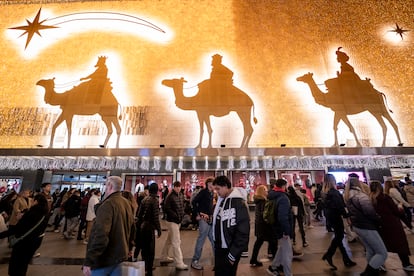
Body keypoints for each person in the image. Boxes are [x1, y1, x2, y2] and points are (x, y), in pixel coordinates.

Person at [82, 176, 135, 276]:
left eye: (106, 185)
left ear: (110, 186)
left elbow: (101, 234)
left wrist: (89, 260)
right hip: (120, 256)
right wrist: (129, 247)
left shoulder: (108, 204)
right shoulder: (127, 203)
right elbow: (132, 228)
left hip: (105, 259)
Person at [344, 176, 387, 276]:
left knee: (370, 250)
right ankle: (369, 271)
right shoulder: (361, 196)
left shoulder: (347, 196)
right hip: (366, 226)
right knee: (382, 253)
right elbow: (369, 212)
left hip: (357, 226)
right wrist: (378, 219)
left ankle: (372, 270)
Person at [369, 181, 414, 272]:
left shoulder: (370, 199)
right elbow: (396, 211)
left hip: (380, 225)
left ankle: (379, 264)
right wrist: (401, 209)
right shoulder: (385, 197)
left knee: (382, 247)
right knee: (400, 244)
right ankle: (406, 264)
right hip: (393, 224)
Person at [0, 193, 49, 276]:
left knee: (16, 266)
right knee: (24, 264)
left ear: (36, 201)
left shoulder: (32, 213)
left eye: (33, 200)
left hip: (23, 243)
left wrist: (1, 235)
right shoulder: (45, 213)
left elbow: (18, 229)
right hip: (35, 242)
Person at [212, 175, 249, 276]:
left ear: (225, 186)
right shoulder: (222, 200)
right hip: (221, 247)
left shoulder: (238, 203)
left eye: (218, 189)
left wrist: (233, 254)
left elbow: (243, 230)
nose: (217, 192)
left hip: (230, 249)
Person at [321, 174, 356, 270]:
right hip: (336, 216)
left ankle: (346, 259)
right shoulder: (334, 193)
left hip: (330, 217)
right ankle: (329, 254)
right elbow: (340, 206)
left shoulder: (324, 192)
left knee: (338, 237)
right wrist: (346, 216)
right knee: (339, 236)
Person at [266, 179, 294, 276]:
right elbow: (282, 217)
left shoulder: (273, 195)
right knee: (287, 253)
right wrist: (287, 231)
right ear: (283, 186)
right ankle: (288, 273)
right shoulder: (283, 198)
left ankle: (273, 267)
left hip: (276, 226)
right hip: (282, 229)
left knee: (282, 248)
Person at [160, 181, 188, 270]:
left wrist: (182, 215)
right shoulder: (170, 196)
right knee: (176, 241)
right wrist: (175, 216)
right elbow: (166, 208)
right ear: (174, 187)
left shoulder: (180, 195)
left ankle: (164, 256)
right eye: (177, 187)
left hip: (177, 220)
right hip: (172, 221)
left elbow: (181, 205)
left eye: (179, 187)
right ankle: (179, 263)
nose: (178, 188)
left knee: (170, 240)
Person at [136, 183, 161, 276]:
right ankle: (149, 268)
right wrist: (159, 229)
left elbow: (139, 214)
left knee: (144, 248)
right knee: (150, 249)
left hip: (143, 226)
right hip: (150, 227)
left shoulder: (145, 199)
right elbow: (155, 216)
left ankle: (144, 266)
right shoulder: (155, 200)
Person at [190, 177, 215, 270]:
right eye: (213, 183)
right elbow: (194, 202)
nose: (214, 186)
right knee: (201, 240)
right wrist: (199, 214)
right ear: (209, 184)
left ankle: (218, 261)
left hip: (209, 219)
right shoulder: (203, 192)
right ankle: (195, 261)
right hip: (204, 220)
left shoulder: (211, 193)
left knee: (214, 240)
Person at [250, 184, 276, 267]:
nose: (267, 191)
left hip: (260, 225)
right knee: (273, 242)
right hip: (265, 226)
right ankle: (276, 263)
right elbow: (264, 214)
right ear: (262, 191)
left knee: (259, 242)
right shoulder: (263, 201)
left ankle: (253, 259)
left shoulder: (259, 201)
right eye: (265, 190)